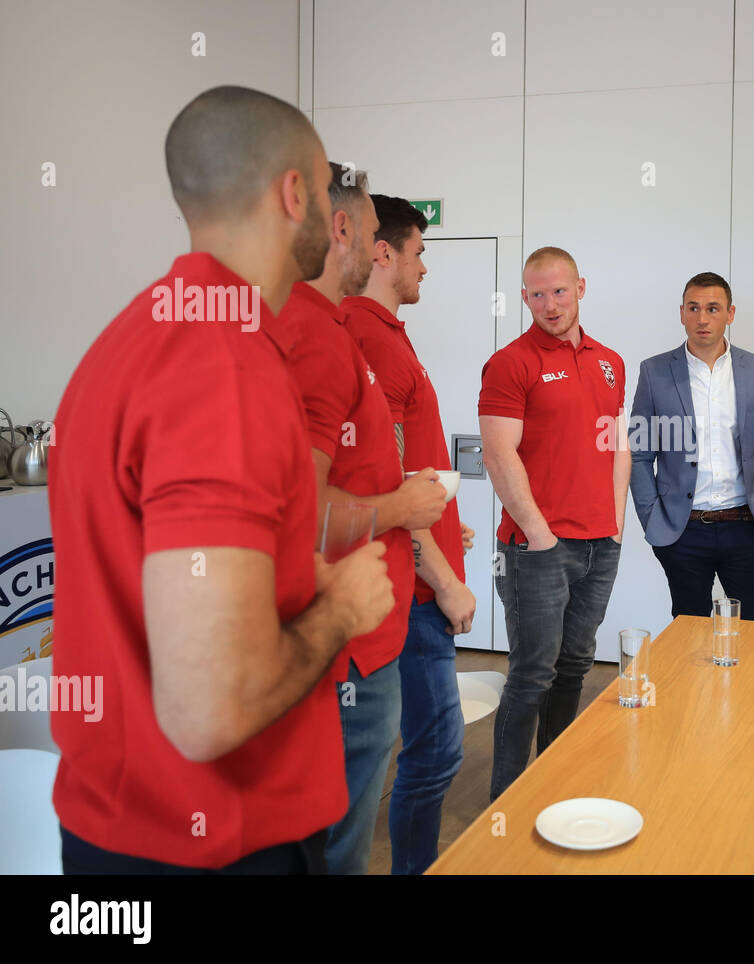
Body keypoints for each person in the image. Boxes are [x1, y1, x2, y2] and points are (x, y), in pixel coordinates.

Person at [48, 86, 394, 873]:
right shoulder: (222, 366)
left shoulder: (136, 336)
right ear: (296, 193)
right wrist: (339, 611)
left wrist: (282, 584)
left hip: (116, 836)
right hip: (213, 844)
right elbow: (212, 709)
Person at [283, 164, 447, 874]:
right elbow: (298, 515)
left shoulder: (327, 329)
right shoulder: (322, 338)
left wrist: (411, 517)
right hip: (347, 637)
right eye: (379, 237)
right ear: (344, 232)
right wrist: (405, 510)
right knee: (338, 840)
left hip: (360, 627)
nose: (385, 254)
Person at [343, 194, 473, 873]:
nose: (425, 267)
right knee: (435, 749)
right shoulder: (366, 338)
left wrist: (451, 524)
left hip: (415, 576)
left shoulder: (386, 334)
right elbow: (380, 491)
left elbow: (401, 476)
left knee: (428, 748)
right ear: (382, 251)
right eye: (419, 252)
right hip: (413, 597)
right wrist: (445, 581)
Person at [480, 246, 629, 800]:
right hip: (536, 550)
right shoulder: (511, 362)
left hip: (599, 544)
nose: (549, 303)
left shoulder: (610, 360)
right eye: (537, 294)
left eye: (559, 290)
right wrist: (540, 535)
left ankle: (555, 785)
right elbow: (498, 455)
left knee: (574, 667)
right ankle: (508, 801)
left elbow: (617, 444)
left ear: (581, 288)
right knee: (531, 675)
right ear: (524, 298)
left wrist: (614, 524)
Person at [630, 272, 754, 622]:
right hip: (683, 531)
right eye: (694, 308)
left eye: (713, 309)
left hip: (748, 525)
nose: (703, 318)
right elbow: (639, 452)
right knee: (689, 637)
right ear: (681, 313)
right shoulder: (654, 372)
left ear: (730, 314)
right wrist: (652, 518)